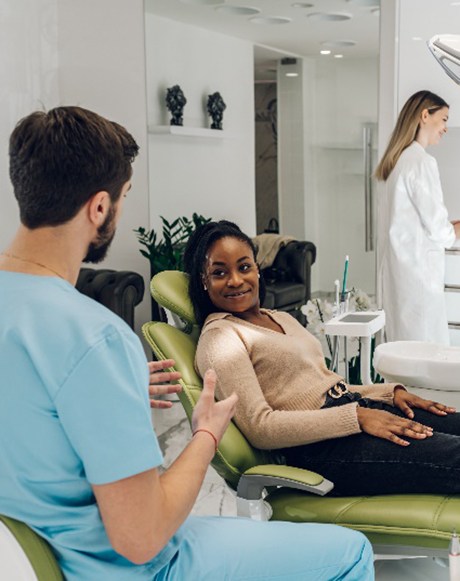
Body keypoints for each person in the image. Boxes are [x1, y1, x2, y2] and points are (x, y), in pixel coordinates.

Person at [0, 107, 374, 580]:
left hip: (28, 560)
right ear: (99, 207)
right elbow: (141, 537)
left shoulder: (52, 333)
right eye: (123, 198)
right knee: (351, 553)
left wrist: (104, 391)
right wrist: (205, 434)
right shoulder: (94, 336)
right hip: (126, 569)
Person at [185, 219, 460, 498]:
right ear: (203, 282)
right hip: (320, 449)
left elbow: (324, 386)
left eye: (244, 267)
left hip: (352, 412)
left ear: (258, 269)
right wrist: (357, 416)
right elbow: (260, 427)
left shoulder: (278, 317)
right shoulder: (220, 337)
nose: (235, 280)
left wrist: (389, 394)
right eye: (219, 273)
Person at [375, 89, 460, 344]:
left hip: (401, 276)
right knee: (426, 354)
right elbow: (437, 228)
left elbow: (412, 219)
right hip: (419, 278)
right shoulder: (421, 162)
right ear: (425, 115)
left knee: (405, 352)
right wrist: (452, 230)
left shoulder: (398, 161)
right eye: (444, 119)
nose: (445, 127)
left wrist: (449, 226)